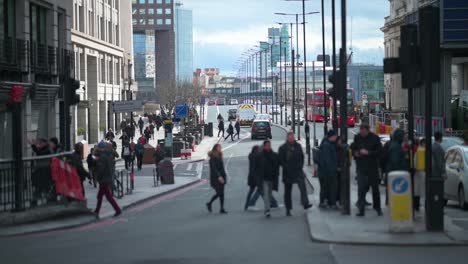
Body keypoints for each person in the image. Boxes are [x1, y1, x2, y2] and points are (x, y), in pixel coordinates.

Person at [350, 124, 383, 217]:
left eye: (364, 131)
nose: (362, 133)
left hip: (372, 167)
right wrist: (355, 153)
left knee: (375, 189)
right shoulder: (357, 137)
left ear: (368, 130)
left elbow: (380, 152)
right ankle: (361, 209)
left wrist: (369, 153)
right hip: (361, 166)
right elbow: (353, 147)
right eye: (361, 131)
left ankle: (378, 208)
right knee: (361, 188)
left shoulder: (375, 138)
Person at [278, 132, 312, 216]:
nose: (291, 139)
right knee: (288, 192)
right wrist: (287, 167)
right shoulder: (282, 148)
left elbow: (301, 157)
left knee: (303, 187)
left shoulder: (298, 146)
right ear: (287, 138)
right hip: (288, 172)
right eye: (290, 137)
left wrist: (299, 166)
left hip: (298, 171)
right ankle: (288, 209)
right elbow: (281, 160)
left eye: (292, 137)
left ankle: (305, 203)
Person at [94, 143, 122, 218]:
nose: (97, 149)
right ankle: (97, 211)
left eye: (98, 148)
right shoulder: (106, 155)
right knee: (102, 196)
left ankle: (117, 209)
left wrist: (97, 177)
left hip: (104, 179)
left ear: (101, 148)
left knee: (106, 196)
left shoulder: (102, 157)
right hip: (107, 178)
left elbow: (101, 169)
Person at [315, 130, 338, 209]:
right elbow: (328, 160)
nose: (336, 138)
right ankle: (329, 203)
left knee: (326, 187)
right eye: (335, 136)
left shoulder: (327, 144)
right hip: (327, 172)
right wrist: (334, 169)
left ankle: (326, 202)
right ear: (332, 136)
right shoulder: (327, 145)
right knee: (329, 187)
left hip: (325, 171)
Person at [258, 140, 280, 218]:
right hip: (264, 179)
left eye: (269, 145)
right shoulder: (260, 156)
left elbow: (278, 164)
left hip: (272, 178)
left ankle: (268, 207)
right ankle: (267, 210)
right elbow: (256, 167)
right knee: (266, 195)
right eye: (267, 145)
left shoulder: (274, 155)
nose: (268, 146)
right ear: (264, 146)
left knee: (269, 195)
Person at [29, 138, 53, 206]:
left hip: (44, 172)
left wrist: (33, 145)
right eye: (38, 143)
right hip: (41, 172)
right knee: (40, 188)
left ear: (44, 143)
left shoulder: (47, 150)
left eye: (40, 143)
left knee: (42, 188)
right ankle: (36, 201)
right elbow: (38, 152)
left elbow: (39, 153)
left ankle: (48, 200)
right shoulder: (44, 149)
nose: (39, 144)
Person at [206, 144, 228, 214]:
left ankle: (222, 208)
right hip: (215, 178)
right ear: (215, 148)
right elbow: (214, 169)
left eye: (220, 147)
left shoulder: (220, 156)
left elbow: (222, 168)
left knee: (222, 193)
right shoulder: (212, 158)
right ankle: (209, 203)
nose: (220, 149)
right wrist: (219, 176)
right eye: (219, 147)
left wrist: (224, 175)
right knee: (219, 193)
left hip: (222, 176)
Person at [245, 145, 261, 210]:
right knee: (260, 189)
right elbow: (256, 167)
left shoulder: (251, 156)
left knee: (251, 191)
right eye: (258, 149)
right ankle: (251, 203)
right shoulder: (256, 157)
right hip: (255, 176)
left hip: (251, 176)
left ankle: (246, 205)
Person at [414, 138, 426, 212]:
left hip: (420, 172)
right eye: (424, 143)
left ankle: (417, 205)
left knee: (418, 190)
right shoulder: (420, 151)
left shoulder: (419, 150)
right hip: (421, 172)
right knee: (419, 190)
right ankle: (417, 205)